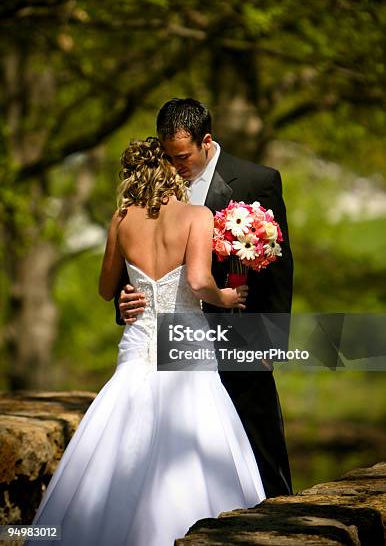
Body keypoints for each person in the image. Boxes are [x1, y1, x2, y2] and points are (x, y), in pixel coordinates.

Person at [25, 137, 265, 546]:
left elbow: (105, 288)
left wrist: (126, 293)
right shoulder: (196, 215)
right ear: (170, 170)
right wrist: (226, 296)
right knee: (199, 436)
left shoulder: (122, 220)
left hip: (138, 342)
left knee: (118, 442)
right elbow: (198, 282)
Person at [118, 98, 294, 498]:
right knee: (177, 447)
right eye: (167, 156)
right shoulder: (152, 189)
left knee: (260, 446)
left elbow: (280, 269)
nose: (174, 166)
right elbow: (135, 254)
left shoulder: (257, 181)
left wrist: (270, 342)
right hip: (171, 335)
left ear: (206, 141)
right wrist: (126, 299)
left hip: (239, 334)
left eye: (181, 157)